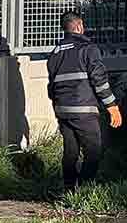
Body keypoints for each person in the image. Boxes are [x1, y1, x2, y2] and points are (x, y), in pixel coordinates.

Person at [47, 11, 122, 189]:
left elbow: (52, 87)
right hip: (84, 110)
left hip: (63, 110)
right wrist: (112, 106)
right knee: (94, 151)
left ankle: (69, 189)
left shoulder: (55, 52)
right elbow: (99, 80)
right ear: (79, 25)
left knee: (71, 152)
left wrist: (59, 105)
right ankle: (85, 188)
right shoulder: (88, 48)